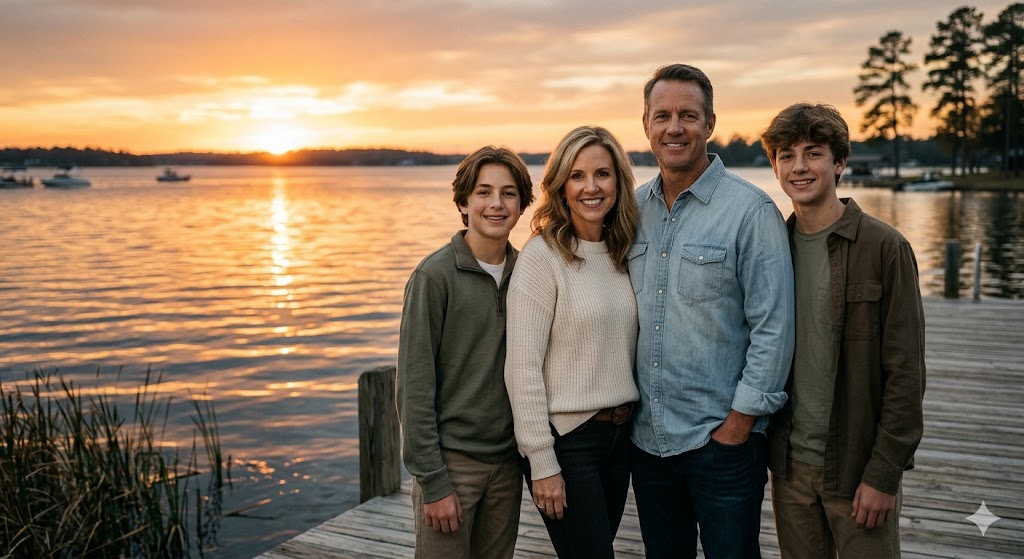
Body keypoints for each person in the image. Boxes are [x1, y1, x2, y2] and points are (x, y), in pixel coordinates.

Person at [628, 63, 796, 558]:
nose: (674, 127)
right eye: (662, 116)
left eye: (687, 115)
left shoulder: (750, 211)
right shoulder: (631, 211)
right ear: (645, 125)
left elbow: (775, 329)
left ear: (710, 123)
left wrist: (739, 425)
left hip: (722, 442)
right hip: (647, 441)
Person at [760, 103, 926, 558]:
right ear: (774, 166)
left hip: (858, 471)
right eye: (786, 155)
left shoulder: (885, 248)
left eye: (813, 153)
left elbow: (906, 374)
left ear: (839, 162)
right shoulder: (770, 249)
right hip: (790, 470)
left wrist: (884, 474)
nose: (799, 167)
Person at [504, 125, 641, 559]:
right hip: (567, 441)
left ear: (618, 181)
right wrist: (542, 463)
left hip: (620, 438)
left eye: (602, 174)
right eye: (578, 175)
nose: (591, 187)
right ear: (561, 185)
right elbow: (521, 368)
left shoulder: (624, 253)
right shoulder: (541, 258)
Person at [396, 145, 534, 559]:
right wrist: (433, 481)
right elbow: (414, 387)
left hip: (508, 465)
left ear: (522, 204)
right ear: (462, 202)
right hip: (452, 466)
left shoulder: (528, 273)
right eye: (483, 192)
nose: (496, 204)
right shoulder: (433, 276)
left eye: (509, 193)